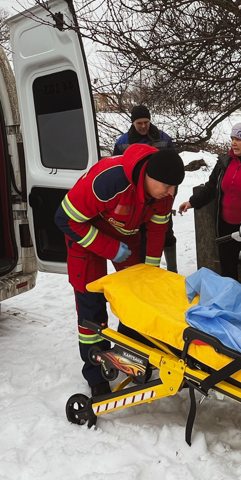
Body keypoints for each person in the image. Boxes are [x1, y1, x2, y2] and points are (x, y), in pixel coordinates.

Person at [55, 144, 185, 396]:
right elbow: (65, 218)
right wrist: (110, 248)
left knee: (139, 297)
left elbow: (157, 229)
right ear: (148, 176)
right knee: (91, 303)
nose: (171, 193)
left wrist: (149, 272)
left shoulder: (165, 188)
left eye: (174, 188)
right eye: (166, 187)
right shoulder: (108, 181)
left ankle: (130, 356)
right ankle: (95, 373)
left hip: (128, 232)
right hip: (87, 234)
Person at [179, 122, 241, 283]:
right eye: (232, 139)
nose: (234, 143)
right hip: (225, 225)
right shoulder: (224, 163)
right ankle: (231, 298)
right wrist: (192, 202)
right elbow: (212, 186)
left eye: (239, 139)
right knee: (227, 268)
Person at [113, 105, 179, 272]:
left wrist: (171, 194)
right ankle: (141, 270)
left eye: (146, 122)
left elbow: (174, 168)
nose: (143, 126)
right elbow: (117, 170)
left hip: (161, 196)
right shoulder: (122, 143)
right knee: (139, 234)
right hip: (135, 197)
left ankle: (173, 269)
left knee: (166, 232)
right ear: (133, 123)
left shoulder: (164, 139)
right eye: (139, 123)